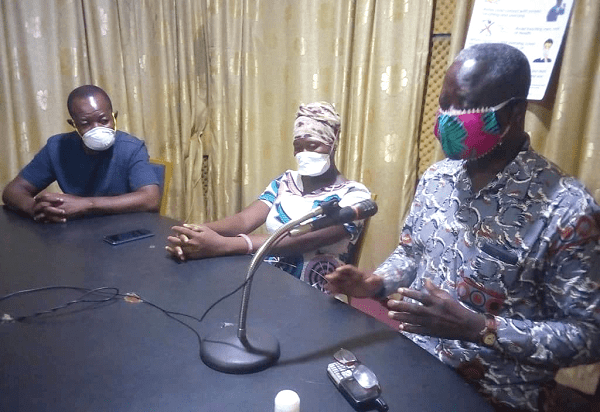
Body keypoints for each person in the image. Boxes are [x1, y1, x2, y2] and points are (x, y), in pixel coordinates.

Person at [325, 43, 600, 412]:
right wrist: (375, 283)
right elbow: (412, 250)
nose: (448, 118)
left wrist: (479, 328)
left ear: (515, 112)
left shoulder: (568, 209)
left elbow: (589, 335)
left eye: (464, 106)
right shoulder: (437, 178)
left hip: (498, 393)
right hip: (412, 362)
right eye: (445, 104)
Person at [166, 102, 371, 291]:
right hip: (267, 280)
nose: (304, 154)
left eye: (313, 146)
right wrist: (195, 233)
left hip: (316, 292)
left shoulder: (354, 196)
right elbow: (244, 220)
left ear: (333, 143)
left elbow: (303, 240)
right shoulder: (286, 181)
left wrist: (225, 245)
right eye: (298, 147)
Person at [2, 85, 161, 223]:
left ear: (114, 117)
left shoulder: (131, 148)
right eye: (85, 124)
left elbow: (150, 199)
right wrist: (35, 208)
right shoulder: (57, 148)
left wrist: (86, 205)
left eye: (104, 120)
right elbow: (12, 191)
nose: (97, 128)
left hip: (123, 229)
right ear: (74, 125)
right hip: (76, 230)